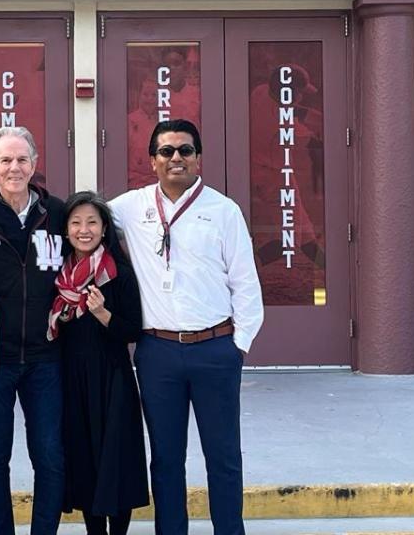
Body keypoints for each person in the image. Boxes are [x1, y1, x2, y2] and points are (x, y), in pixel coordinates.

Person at [109, 118, 264, 535]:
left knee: (224, 456)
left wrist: (239, 346)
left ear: (198, 158)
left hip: (215, 349)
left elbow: (246, 284)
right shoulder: (130, 207)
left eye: (185, 150)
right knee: (165, 457)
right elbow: (83, 220)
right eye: (166, 151)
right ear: (152, 160)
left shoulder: (223, 210)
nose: (176, 158)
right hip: (157, 352)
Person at [0, 126, 67, 535]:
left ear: (35, 164)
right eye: (5, 160)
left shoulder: (57, 213)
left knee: (49, 455)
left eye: (22, 159)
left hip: (46, 359)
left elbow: (95, 247)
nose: (14, 167)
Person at [48, 191, 149, 535]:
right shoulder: (60, 277)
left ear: (105, 228)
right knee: (85, 458)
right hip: (73, 379)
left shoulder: (117, 273)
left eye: (92, 221)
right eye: (76, 222)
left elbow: (133, 329)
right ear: (66, 230)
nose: (84, 229)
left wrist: (103, 313)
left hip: (112, 378)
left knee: (115, 459)